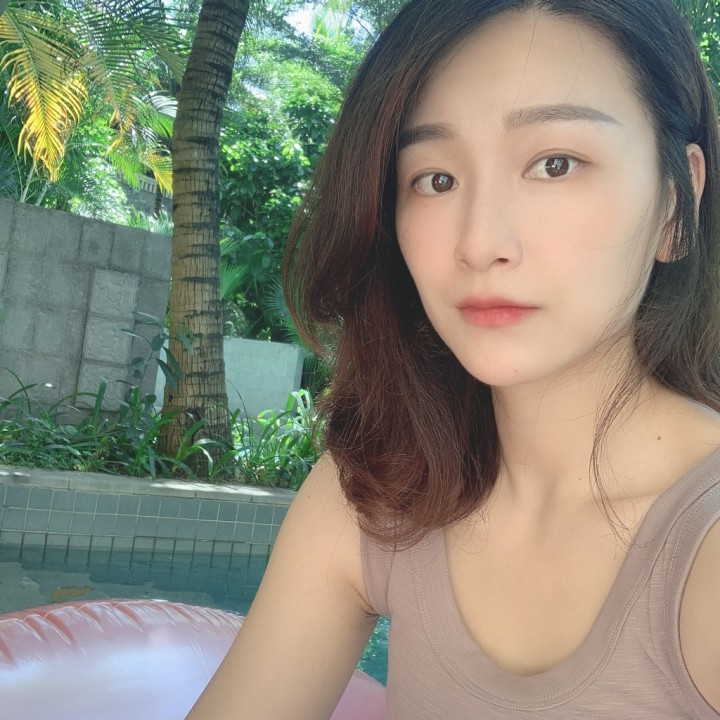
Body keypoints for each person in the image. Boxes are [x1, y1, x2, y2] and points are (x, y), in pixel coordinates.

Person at [186, 0, 720, 717]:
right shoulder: (376, 493)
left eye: (555, 164)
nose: (479, 242)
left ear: (676, 203)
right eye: (435, 179)